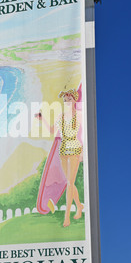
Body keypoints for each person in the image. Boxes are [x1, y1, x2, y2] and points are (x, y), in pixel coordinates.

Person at [35, 88, 83, 227]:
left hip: (74, 148)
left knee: (69, 182)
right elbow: (52, 131)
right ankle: (79, 206)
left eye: (69, 99)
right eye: (65, 100)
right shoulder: (60, 117)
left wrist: (83, 152)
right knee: (70, 183)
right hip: (63, 150)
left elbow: (83, 133)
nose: (67, 102)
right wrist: (41, 119)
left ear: (74, 100)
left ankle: (66, 216)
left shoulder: (79, 115)